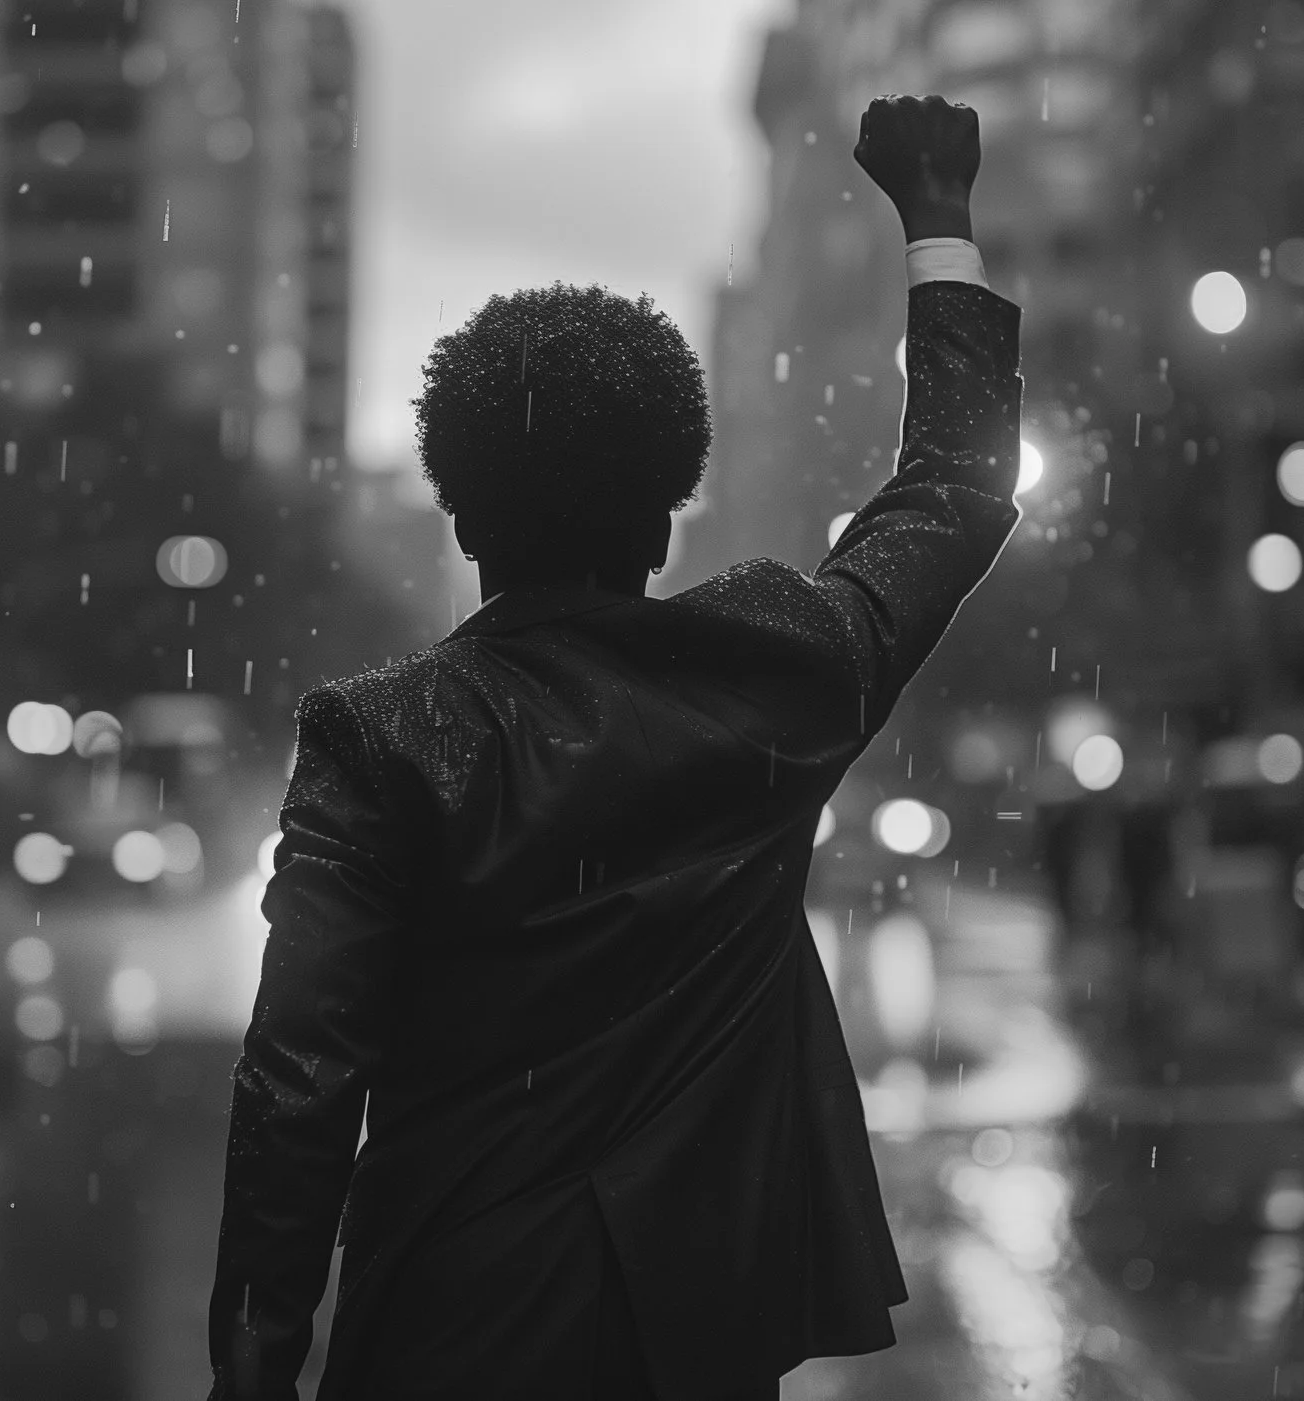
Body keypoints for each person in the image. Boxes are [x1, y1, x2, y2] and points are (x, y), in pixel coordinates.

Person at [207, 94, 1022, 1401]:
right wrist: (938, 217)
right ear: (665, 513)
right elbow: (956, 490)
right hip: (695, 1334)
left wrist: (255, 1361)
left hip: (450, 1327)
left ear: (462, 515)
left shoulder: (380, 742)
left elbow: (298, 1085)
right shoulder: (777, 669)